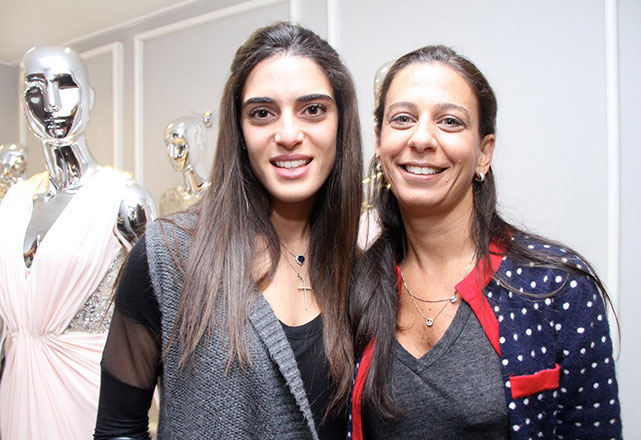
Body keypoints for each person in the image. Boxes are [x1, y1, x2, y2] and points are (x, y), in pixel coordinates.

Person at [94, 22, 362, 439]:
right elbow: (118, 429)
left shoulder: (360, 269)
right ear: (238, 130)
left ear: (341, 123)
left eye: (313, 110)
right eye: (262, 113)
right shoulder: (168, 256)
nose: (288, 135)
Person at [349, 45, 621, 440]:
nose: (421, 138)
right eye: (403, 118)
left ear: (484, 153)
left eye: (450, 121)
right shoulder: (351, 286)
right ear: (379, 141)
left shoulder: (560, 289)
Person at [0, 46, 154, 440]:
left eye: (65, 85)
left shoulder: (124, 200)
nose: (51, 103)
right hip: (17, 386)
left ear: (89, 96)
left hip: (89, 393)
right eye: (35, 89)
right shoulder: (13, 203)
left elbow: (162, 315)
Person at [159, 115, 211, 216]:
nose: (173, 154)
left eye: (180, 146)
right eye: (168, 145)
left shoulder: (219, 196)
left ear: (199, 144)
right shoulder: (169, 199)